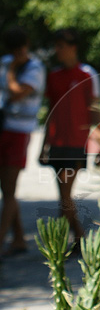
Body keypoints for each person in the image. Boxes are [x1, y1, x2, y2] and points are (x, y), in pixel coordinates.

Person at [40, 28, 100, 250]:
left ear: (73, 47)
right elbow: (51, 112)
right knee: (63, 195)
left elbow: (95, 111)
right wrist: (43, 145)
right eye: (56, 46)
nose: (58, 50)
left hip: (77, 144)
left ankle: (76, 239)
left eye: (61, 46)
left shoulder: (87, 74)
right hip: (57, 144)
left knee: (65, 194)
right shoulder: (54, 76)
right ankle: (73, 241)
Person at [0, 26, 45, 256]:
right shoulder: (6, 62)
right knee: (6, 188)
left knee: (8, 190)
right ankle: (18, 238)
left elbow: (16, 92)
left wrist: (12, 70)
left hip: (19, 131)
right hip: (3, 128)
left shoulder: (34, 67)